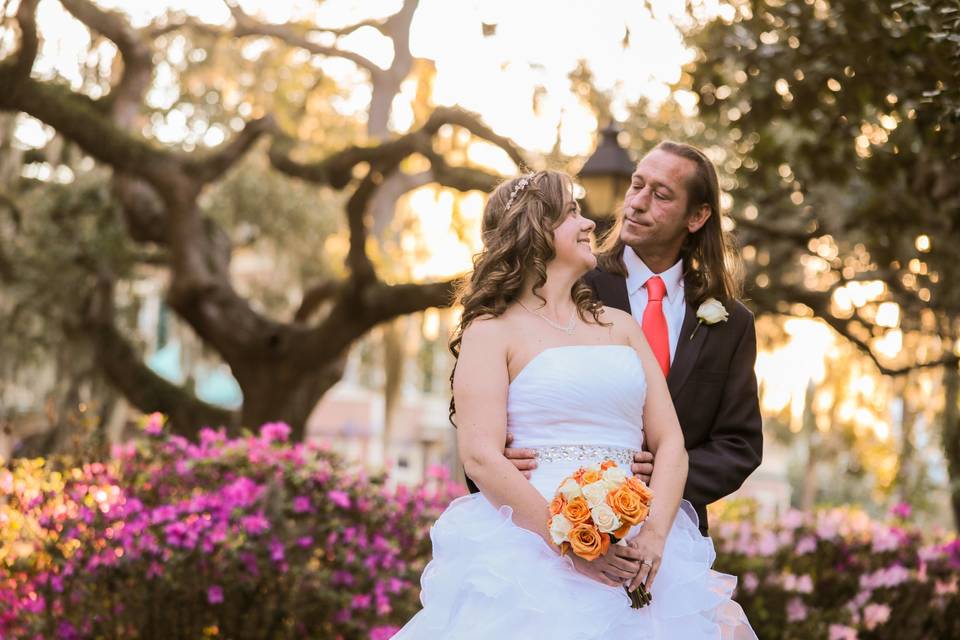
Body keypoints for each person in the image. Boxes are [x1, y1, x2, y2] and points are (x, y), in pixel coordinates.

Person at [394, 170, 755, 638]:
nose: (590, 224)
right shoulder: (491, 331)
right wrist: (572, 545)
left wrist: (654, 537)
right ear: (535, 232)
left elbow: (670, 444)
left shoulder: (622, 327)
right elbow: (480, 455)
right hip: (532, 549)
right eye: (572, 213)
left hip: (639, 550)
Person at [500, 142, 763, 536]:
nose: (637, 203)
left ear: (697, 216)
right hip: (554, 520)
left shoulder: (731, 322)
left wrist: (663, 483)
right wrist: (503, 451)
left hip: (673, 536)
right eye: (636, 185)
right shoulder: (569, 285)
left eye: (660, 195)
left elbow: (739, 445)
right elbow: (494, 382)